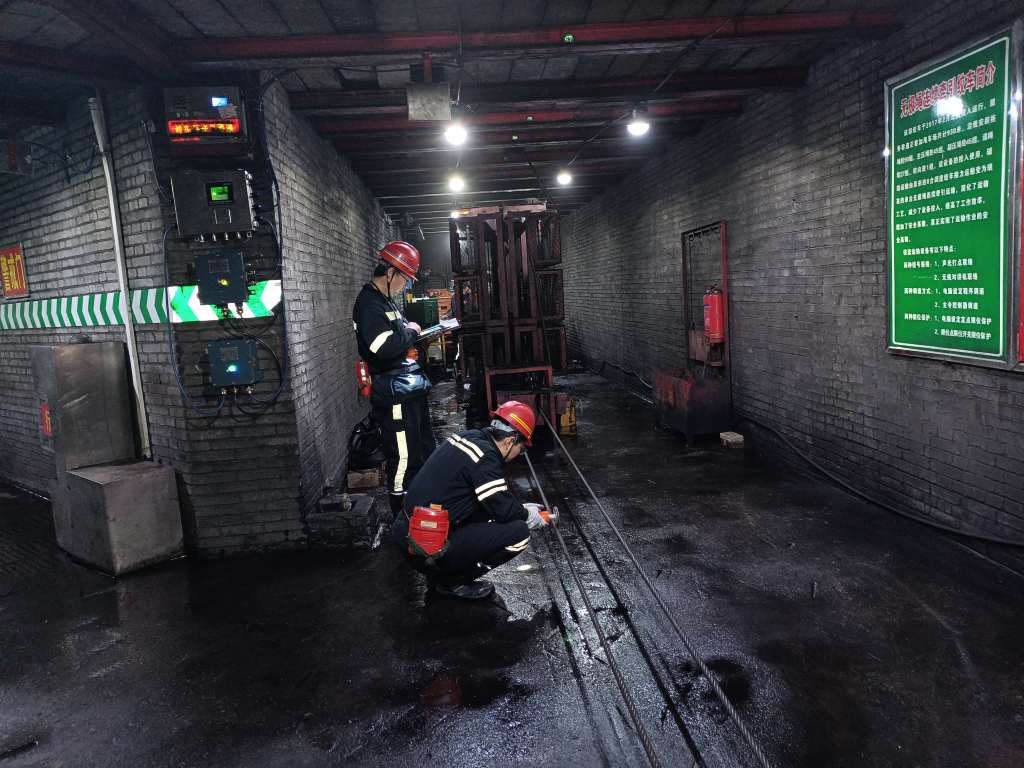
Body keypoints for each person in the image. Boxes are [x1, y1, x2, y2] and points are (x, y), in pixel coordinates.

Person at [393, 401, 550, 600]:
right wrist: (527, 515)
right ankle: (453, 581)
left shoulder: (469, 437)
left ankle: (441, 570)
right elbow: (502, 509)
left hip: (409, 534)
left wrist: (519, 508)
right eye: (522, 449)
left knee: (493, 514)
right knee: (519, 533)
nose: (520, 454)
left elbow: (494, 500)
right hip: (424, 547)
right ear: (510, 441)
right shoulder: (486, 457)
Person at [352, 241, 436, 516]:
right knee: (403, 457)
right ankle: (402, 514)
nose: (406, 286)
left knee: (422, 449)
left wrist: (409, 337)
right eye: (405, 279)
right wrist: (411, 331)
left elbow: (395, 341)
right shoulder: (369, 304)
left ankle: (422, 506)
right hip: (393, 392)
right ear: (390, 273)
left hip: (406, 387)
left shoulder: (385, 300)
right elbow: (383, 347)